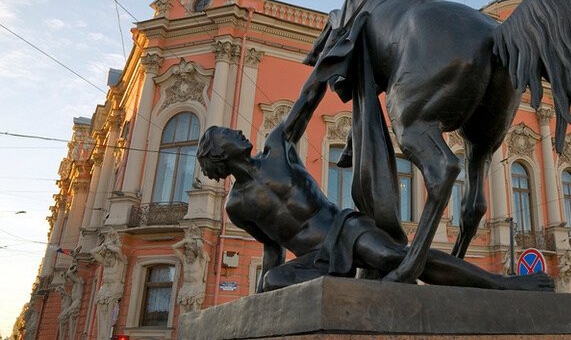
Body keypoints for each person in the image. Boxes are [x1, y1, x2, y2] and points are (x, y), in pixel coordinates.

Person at [197, 123, 553, 292]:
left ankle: (506, 285)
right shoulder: (236, 206)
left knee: (395, 258)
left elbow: (309, 95)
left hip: (342, 229)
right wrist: (264, 294)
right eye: (229, 133)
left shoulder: (277, 148)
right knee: (270, 281)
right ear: (218, 152)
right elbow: (272, 248)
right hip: (313, 258)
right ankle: (339, 286)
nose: (239, 131)